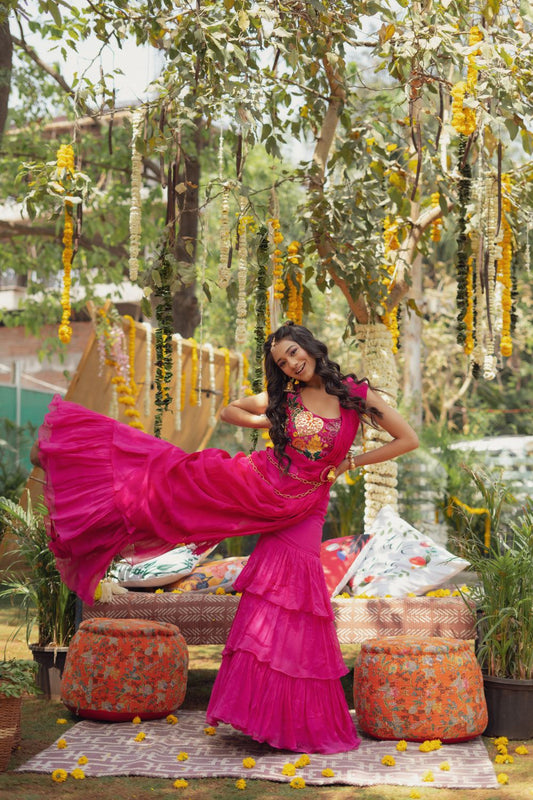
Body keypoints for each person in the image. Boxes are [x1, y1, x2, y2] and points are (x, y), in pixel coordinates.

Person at [31, 321, 418, 755]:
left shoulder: (353, 394)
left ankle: (279, 717)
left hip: (305, 505)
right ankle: (72, 455)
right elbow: (230, 411)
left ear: (310, 346)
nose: (291, 364)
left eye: (293, 352)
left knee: (288, 595)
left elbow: (408, 438)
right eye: (281, 361)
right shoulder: (285, 397)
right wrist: (266, 420)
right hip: (259, 482)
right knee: (179, 477)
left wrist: (350, 463)